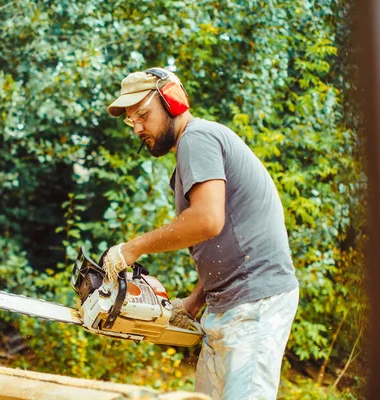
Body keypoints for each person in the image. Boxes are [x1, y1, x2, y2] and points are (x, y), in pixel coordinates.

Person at [104, 67, 299, 400]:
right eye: (130, 120)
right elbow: (230, 241)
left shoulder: (197, 138)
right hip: (227, 303)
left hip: (253, 303)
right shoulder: (192, 152)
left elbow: (207, 220)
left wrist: (133, 248)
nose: (137, 127)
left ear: (173, 102)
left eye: (143, 115)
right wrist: (194, 303)